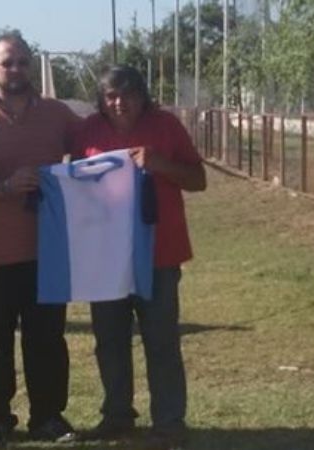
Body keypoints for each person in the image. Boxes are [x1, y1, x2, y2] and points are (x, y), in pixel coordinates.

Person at [0, 31, 80, 447]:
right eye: (7, 62)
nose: (16, 69)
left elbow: (93, 148)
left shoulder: (58, 114)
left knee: (47, 340)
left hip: (49, 249)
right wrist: (6, 187)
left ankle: (48, 417)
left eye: (23, 61)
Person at [72, 65, 206, 449]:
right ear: (101, 99)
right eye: (111, 95)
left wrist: (160, 164)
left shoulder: (166, 126)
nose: (119, 102)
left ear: (142, 95)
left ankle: (169, 420)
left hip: (159, 255)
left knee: (161, 340)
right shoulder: (88, 132)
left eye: (127, 94)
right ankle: (117, 417)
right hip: (106, 258)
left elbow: (198, 180)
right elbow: (74, 185)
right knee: (110, 341)